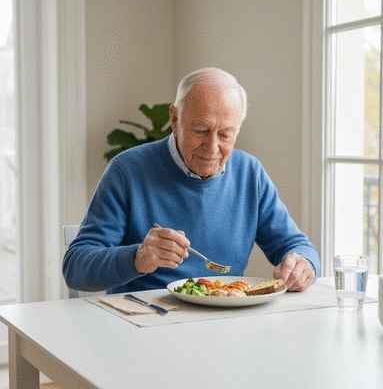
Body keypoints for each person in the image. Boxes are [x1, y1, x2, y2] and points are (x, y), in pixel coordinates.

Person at [63, 67, 320, 295]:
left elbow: (296, 246)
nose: (212, 146)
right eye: (200, 131)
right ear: (175, 120)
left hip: (223, 326)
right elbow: (75, 267)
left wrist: (303, 264)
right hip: (145, 326)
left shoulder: (249, 173)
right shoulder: (127, 170)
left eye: (226, 134)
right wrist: (138, 258)